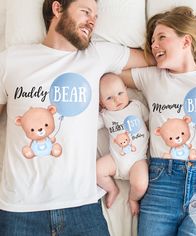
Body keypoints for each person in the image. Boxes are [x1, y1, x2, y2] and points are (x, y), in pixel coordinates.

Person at [0, 0, 150, 235]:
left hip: (81, 206)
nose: (92, 21)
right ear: (57, 9)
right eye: (85, 12)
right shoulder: (11, 60)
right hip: (19, 208)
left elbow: (160, 58)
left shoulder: (97, 55)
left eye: (96, 16)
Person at [120, 6, 196, 236]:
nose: (154, 44)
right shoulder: (152, 77)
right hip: (163, 182)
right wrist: (154, 54)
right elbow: (109, 65)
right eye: (152, 41)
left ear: (186, 41)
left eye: (162, 37)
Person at [97, 73, 149, 216]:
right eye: (109, 98)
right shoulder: (106, 115)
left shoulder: (136, 106)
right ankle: (112, 189)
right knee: (96, 170)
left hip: (137, 160)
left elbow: (149, 122)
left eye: (120, 93)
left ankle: (132, 199)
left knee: (140, 184)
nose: (117, 99)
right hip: (115, 159)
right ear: (101, 102)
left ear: (126, 90)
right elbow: (91, 125)